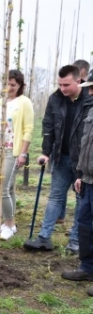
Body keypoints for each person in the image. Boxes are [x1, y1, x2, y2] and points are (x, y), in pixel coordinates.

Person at [24, 65, 92, 254]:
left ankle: (76, 241)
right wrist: (46, 152)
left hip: (82, 161)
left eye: (66, 84)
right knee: (55, 197)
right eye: (60, 84)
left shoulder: (89, 99)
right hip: (61, 157)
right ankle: (44, 238)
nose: (62, 88)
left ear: (78, 81)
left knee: (81, 201)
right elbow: (48, 125)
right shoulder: (55, 99)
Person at [0, 70, 34, 240]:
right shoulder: (1, 101)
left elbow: (29, 130)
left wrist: (23, 153)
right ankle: (9, 225)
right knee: (10, 188)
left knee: (3, 188)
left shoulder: (25, 103)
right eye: (7, 84)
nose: (9, 88)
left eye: (13, 85)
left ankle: (9, 224)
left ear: (20, 85)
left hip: (12, 151)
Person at [60, 87, 93, 295]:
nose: (89, 91)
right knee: (84, 225)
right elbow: (85, 144)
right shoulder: (90, 110)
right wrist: (80, 173)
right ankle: (88, 268)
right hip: (88, 179)